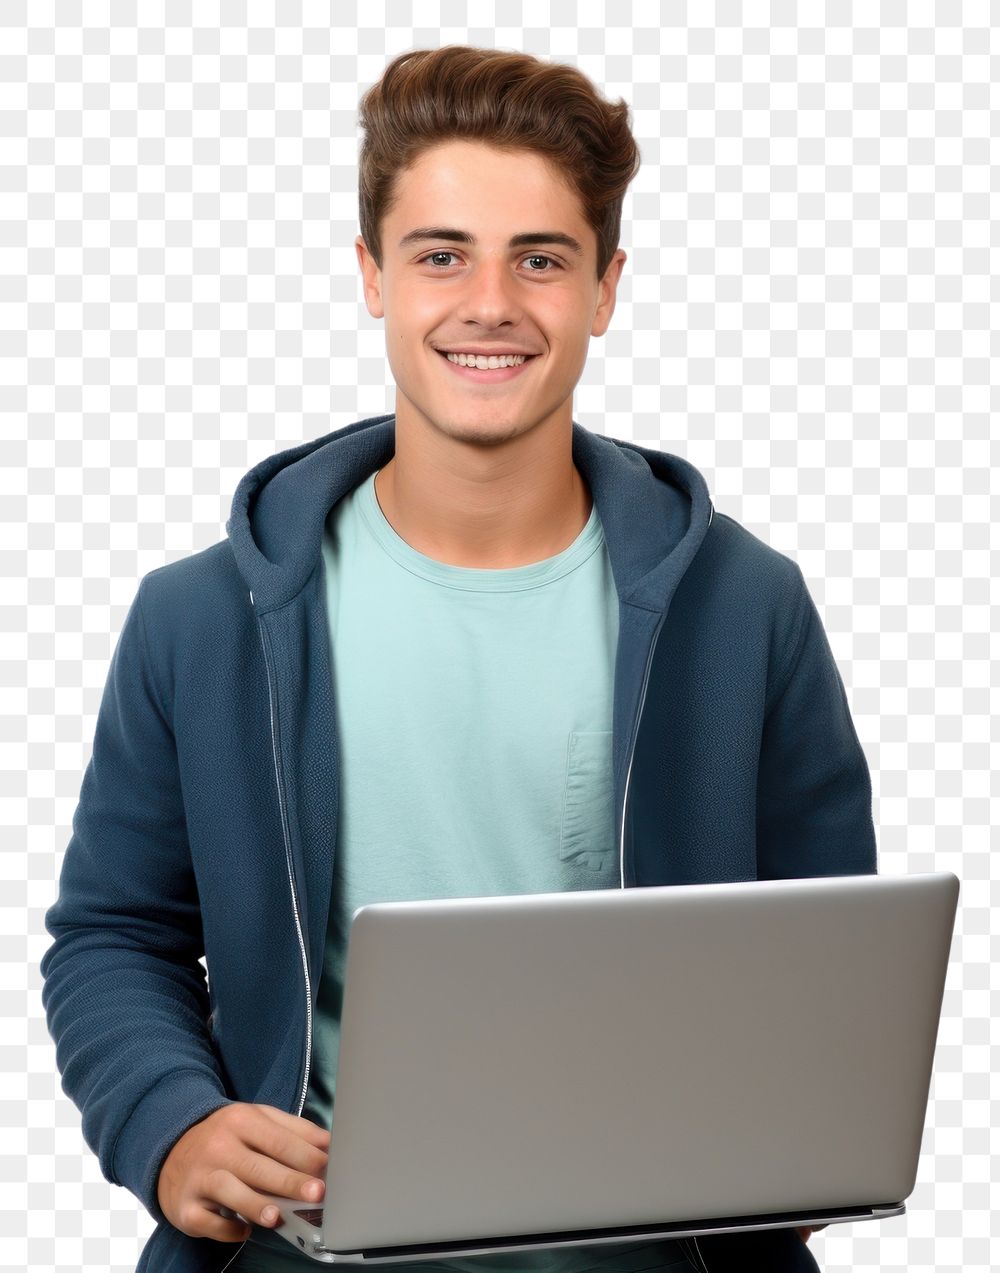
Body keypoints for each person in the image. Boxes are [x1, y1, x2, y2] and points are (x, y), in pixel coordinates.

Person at [40, 44, 877, 1273]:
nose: (490, 302)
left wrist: (813, 1129)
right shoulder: (202, 617)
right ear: (373, 278)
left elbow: (830, 959)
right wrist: (172, 1123)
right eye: (441, 255)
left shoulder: (745, 604)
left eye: (540, 258)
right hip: (300, 1252)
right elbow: (115, 935)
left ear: (604, 289)